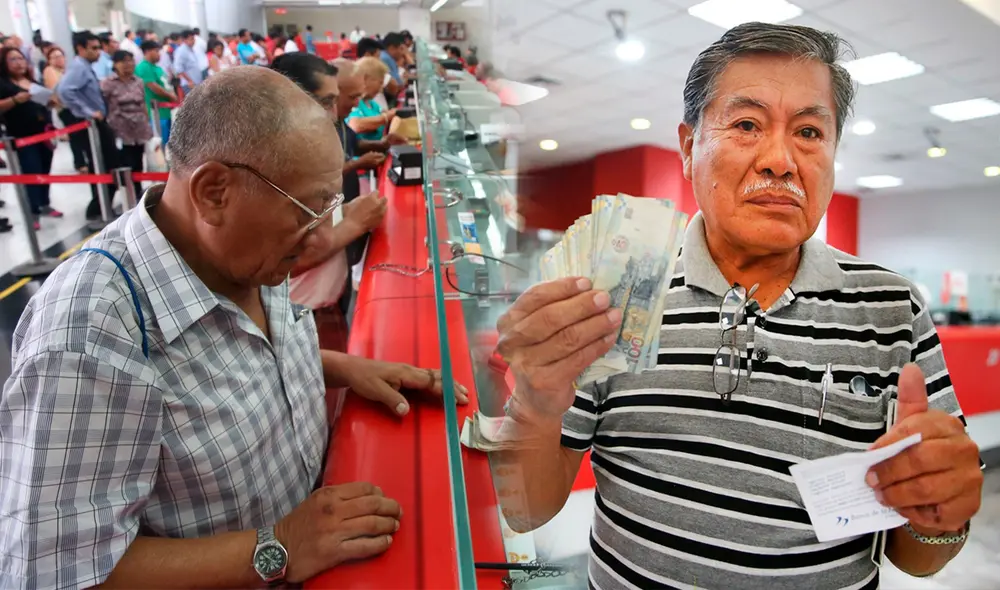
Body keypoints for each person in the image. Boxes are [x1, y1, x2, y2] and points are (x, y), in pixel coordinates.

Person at [492, 22, 984, 589]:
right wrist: (534, 403)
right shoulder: (617, 293)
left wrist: (940, 516)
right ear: (688, 145)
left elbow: (920, 557)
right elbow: (524, 510)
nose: (780, 160)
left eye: (808, 132)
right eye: (746, 124)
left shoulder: (892, 308)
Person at [0, 66, 468, 590]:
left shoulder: (245, 248)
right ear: (215, 192)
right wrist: (278, 546)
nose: (318, 230)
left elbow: (222, 364)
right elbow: (51, 572)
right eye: (308, 209)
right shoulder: (88, 335)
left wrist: (337, 366)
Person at [271, 53, 387, 352]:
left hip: (325, 310)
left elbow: (314, 226)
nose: (335, 114)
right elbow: (281, 265)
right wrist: (355, 223)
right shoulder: (276, 168)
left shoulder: (310, 154)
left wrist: (351, 211)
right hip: (301, 317)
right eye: (326, 102)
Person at [57, 30, 119, 220]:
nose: (98, 52)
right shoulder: (79, 68)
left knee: (109, 164)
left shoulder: (85, 67)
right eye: (93, 48)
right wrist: (89, 112)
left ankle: (103, 206)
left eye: (99, 48)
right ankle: (97, 209)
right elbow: (65, 91)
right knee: (102, 165)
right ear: (80, 48)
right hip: (91, 125)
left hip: (97, 123)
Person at [0, 47, 61, 228]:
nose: (19, 63)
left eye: (21, 59)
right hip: (22, 136)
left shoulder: (31, 81)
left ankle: (44, 203)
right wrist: (17, 99)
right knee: (31, 171)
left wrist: (49, 101)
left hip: (43, 132)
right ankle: (33, 211)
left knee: (44, 169)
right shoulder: (4, 84)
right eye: (13, 59)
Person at [101, 50, 152, 183]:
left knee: (138, 163)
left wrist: (148, 123)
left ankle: (136, 193)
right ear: (115, 64)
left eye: (130, 60)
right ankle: (127, 193)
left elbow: (142, 104)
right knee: (125, 163)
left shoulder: (138, 82)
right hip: (121, 130)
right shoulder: (108, 83)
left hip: (139, 128)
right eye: (123, 61)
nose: (128, 64)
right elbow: (103, 104)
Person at [135, 40, 178, 145]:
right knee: (159, 142)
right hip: (155, 113)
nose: (159, 54)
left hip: (165, 110)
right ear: (147, 51)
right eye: (157, 51)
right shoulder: (144, 67)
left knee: (167, 141)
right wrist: (171, 96)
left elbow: (165, 84)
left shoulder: (157, 68)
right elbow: (152, 86)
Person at [345, 57, 394, 143]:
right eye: (380, 82)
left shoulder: (372, 104)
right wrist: (386, 117)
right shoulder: (355, 103)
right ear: (365, 79)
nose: (381, 88)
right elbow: (356, 125)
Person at [379, 32, 405, 100]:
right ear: (392, 48)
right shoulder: (386, 58)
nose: (402, 52)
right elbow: (399, 85)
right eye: (401, 48)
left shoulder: (386, 56)